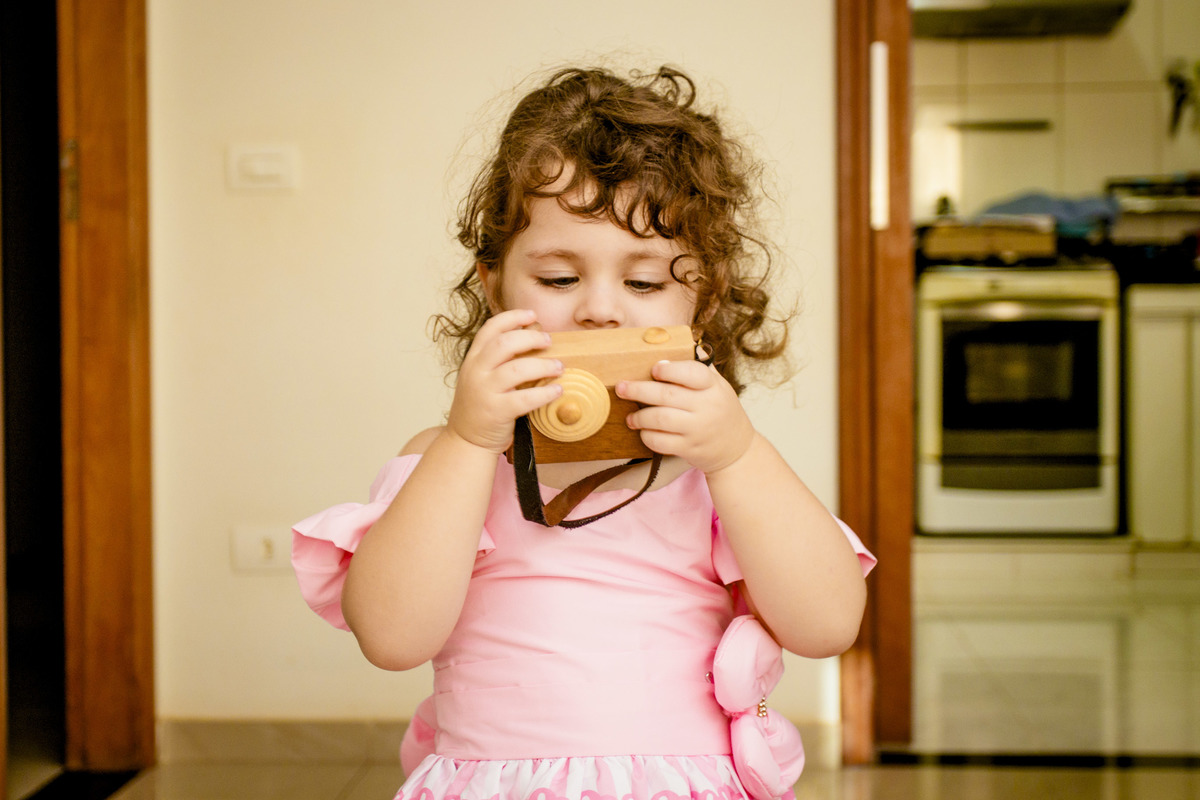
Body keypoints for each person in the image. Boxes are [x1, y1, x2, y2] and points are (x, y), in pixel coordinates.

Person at [292, 65, 875, 800]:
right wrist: (468, 442)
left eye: (644, 283)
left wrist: (737, 454)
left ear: (702, 299)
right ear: (494, 288)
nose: (600, 310)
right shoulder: (446, 461)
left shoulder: (719, 473)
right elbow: (392, 638)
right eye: (560, 279)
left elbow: (827, 626)